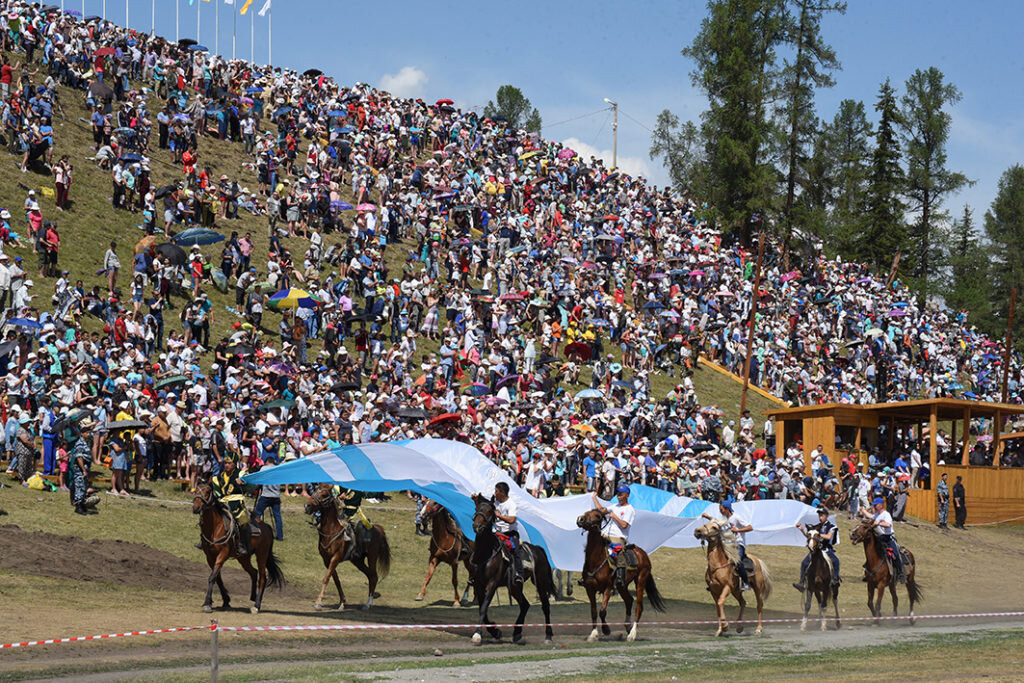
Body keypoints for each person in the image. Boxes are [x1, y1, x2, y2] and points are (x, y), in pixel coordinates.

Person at [702, 498, 753, 591]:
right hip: (726, 545)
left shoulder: (736, 517)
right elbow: (716, 521)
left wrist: (737, 530)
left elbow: (750, 527)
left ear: (727, 509)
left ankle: (746, 583)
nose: (720, 512)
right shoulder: (723, 519)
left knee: (737, 561)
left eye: (721, 510)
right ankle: (713, 581)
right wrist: (707, 517)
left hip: (737, 544)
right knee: (715, 559)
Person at [591, 485, 636, 588]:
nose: (619, 497)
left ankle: (620, 577)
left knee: (617, 552)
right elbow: (601, 510)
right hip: (605, 534)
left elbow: (624, 526)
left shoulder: (629, 510)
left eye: (621, 495)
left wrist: (615, 517)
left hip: (618, 537)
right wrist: (594, 498)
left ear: (627, 496)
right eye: (618, 494)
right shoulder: (614, 506)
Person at [211, 457, 252, 555]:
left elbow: (251, 486)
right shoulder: (219, 477)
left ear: (234, 464)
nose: (226, 465)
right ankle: (205, 540)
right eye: (225, 463)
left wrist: (243, 483)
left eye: (229, 463)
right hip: (223, 502)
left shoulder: (240, 474)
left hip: (237, 502)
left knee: (243, 519)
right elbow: (217, 490)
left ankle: (242, 544)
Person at [792, 507, 840, 591]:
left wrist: (818, 535)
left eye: (822, 515)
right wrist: (802, 530)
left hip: (826, 549)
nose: (820, 517)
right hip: (816, 550)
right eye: (819, 516)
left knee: (836, 561)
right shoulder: (817, 526)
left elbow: (829, 536)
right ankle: (802, 583)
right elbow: (809, 536)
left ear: (826, 516)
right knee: (804, 563)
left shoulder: (832, 526)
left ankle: (835, 579)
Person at [492, 481, 525, 583]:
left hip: (509, 533)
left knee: (516, 552)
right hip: (497, 532)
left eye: (496, 491)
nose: (495, 493)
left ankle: (519, 574)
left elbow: (512, 520)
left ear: (502, 492)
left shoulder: (511, 504)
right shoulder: (495, 502)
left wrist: (499, 516)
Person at [870, 496, 904, 583]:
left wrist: (879, 523)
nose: (874, 507)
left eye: (875, 505)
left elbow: (888, 525)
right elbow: (871, 517)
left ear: (880, 505)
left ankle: (900, 573)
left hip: (888, 538)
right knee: (872, 552)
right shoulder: (877, 514)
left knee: (895, 554)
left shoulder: (886, 514)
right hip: (880, 538)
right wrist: (863, 512)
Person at [252, 454, 283, 541]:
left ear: (267, 462)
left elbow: (260, 480)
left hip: (266, 495)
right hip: (276, 495)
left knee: (257, 513)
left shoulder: (264, 468)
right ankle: (280, 536)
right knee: (277, 516)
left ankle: (255, 530)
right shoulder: (278, 469)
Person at [69, 419, 97, 515]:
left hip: (86, 466)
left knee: (83, 486)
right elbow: (79, 457)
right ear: (82, 434)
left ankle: (83, 505)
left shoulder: (87, 442)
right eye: (87, 433)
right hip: (80, 468)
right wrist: (83, 470)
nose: (89, 434)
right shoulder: (80, 443)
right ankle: (78, 506)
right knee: (79, 486)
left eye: (89, 433)